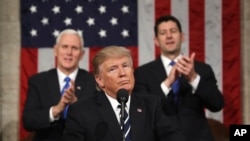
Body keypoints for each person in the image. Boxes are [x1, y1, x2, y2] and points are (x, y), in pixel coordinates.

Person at [62, 46, 186, 141]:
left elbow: (173, 137)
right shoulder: (81, 111)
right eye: (113, 69)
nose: (122, 73)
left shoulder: (151, 105)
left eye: (125, 66)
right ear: (100, 80)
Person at [133, 15, 224, 141]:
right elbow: (142, 111)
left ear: (182, 37)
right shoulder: (142, 73)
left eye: (173, 31)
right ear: (156, 41)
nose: (169, 36)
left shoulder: (202, 69)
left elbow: (217, 104)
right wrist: (167, 83)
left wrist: (193, 78)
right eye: (163, 33)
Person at [22, 29, 97, 141]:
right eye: (64, 47)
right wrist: (56, 110)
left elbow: (100, 122)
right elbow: (28, 121)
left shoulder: (94, 82)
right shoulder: (38, 81)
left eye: (74, 48)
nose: (69, 52)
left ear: (82, 54)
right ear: (55, 50)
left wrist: (76, 105)